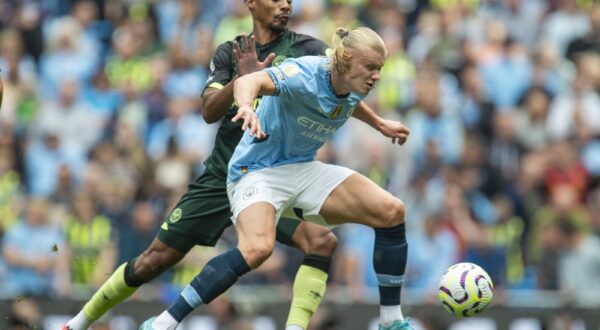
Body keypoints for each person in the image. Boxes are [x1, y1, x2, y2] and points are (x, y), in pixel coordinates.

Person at [64, 1, 407, 330]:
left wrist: (378, 123)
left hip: (289, 170)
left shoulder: (314, 51)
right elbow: (210, 111)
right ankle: (79, 322)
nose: (286, 4)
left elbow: (341, 91)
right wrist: (242, 89)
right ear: (251, 3)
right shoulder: (230, 52)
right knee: (153, 261)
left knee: (322, 242)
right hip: (230, 173)